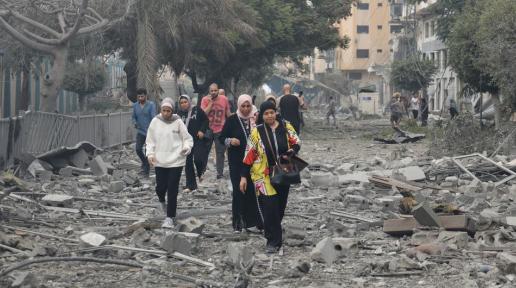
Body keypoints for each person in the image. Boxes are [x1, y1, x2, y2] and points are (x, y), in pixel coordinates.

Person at [239, 101, 301, 253]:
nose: (269, 116)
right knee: (269, 207)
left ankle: (272, 231)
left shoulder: (286, 126)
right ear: (262, 115)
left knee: (279, 208)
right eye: (266, 113)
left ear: (276, 112)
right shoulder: (257, 132)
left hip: (283, 172)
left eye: (271, 112)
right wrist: (243, 177)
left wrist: (291, 151)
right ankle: (273, 242)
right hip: (262, 175)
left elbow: (297, 142)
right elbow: (249, 155)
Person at [146, 98, 193, 228]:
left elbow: (187, 139)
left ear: (172, 110)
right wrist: (150, 154)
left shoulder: (178, 122)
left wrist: (186, 148)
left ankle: (170, 217)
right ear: (160, 110)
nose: (166, 113)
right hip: (160, 160)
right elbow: (150, 141)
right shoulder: (155, 121)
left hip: (176, 161)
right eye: (164, 110)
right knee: (160, 187)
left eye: (169, 111)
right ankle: (161, 200)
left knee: (172, 189)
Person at [220, 94, 261, 233]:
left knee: (252, 191)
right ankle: (238, 223)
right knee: (239, 191)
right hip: (236, 161)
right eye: (243, 106)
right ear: (238, 106)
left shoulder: (256, 118)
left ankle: (251, 222)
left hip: (255, 162)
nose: (245, 108)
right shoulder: (232, 120)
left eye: (248, 105)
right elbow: (221, 137)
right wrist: (230, 141)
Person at [177, 95, 209, 192]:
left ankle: (200, 173)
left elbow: (206, 120)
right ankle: (191, 185)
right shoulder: (178, 114)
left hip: (197, 139)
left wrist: (202, 130)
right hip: (186, 142)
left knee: (198, 159)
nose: (183, 104)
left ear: (189, 102)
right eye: (181, 102)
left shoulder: (197, 110)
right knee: (188, 163)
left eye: (185, 102)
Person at [201, 83, 231, 179]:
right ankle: (201, 171)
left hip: (220, 129)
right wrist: (210, 103)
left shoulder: (224, 99)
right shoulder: (205, 100)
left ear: (218, 90)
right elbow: (203, 114)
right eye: (212, 91)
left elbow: (228, 113)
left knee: (220, 152)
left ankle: (220, 173)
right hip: (208, 129)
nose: (214, 92)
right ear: (209, 91)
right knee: (205, 151)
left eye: (215, 90)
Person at [132, 88, 156, 177]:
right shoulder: (135, 106)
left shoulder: (151, 105)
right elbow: (133, 117)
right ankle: (145, 162)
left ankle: (146, 171)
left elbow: (153, 118)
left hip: (150, 132)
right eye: (139, 97)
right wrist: (135, 123)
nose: (140, 98)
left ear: (146, 96)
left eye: (142, 96)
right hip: (140, 131)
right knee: (138, 149)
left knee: (147, 151)